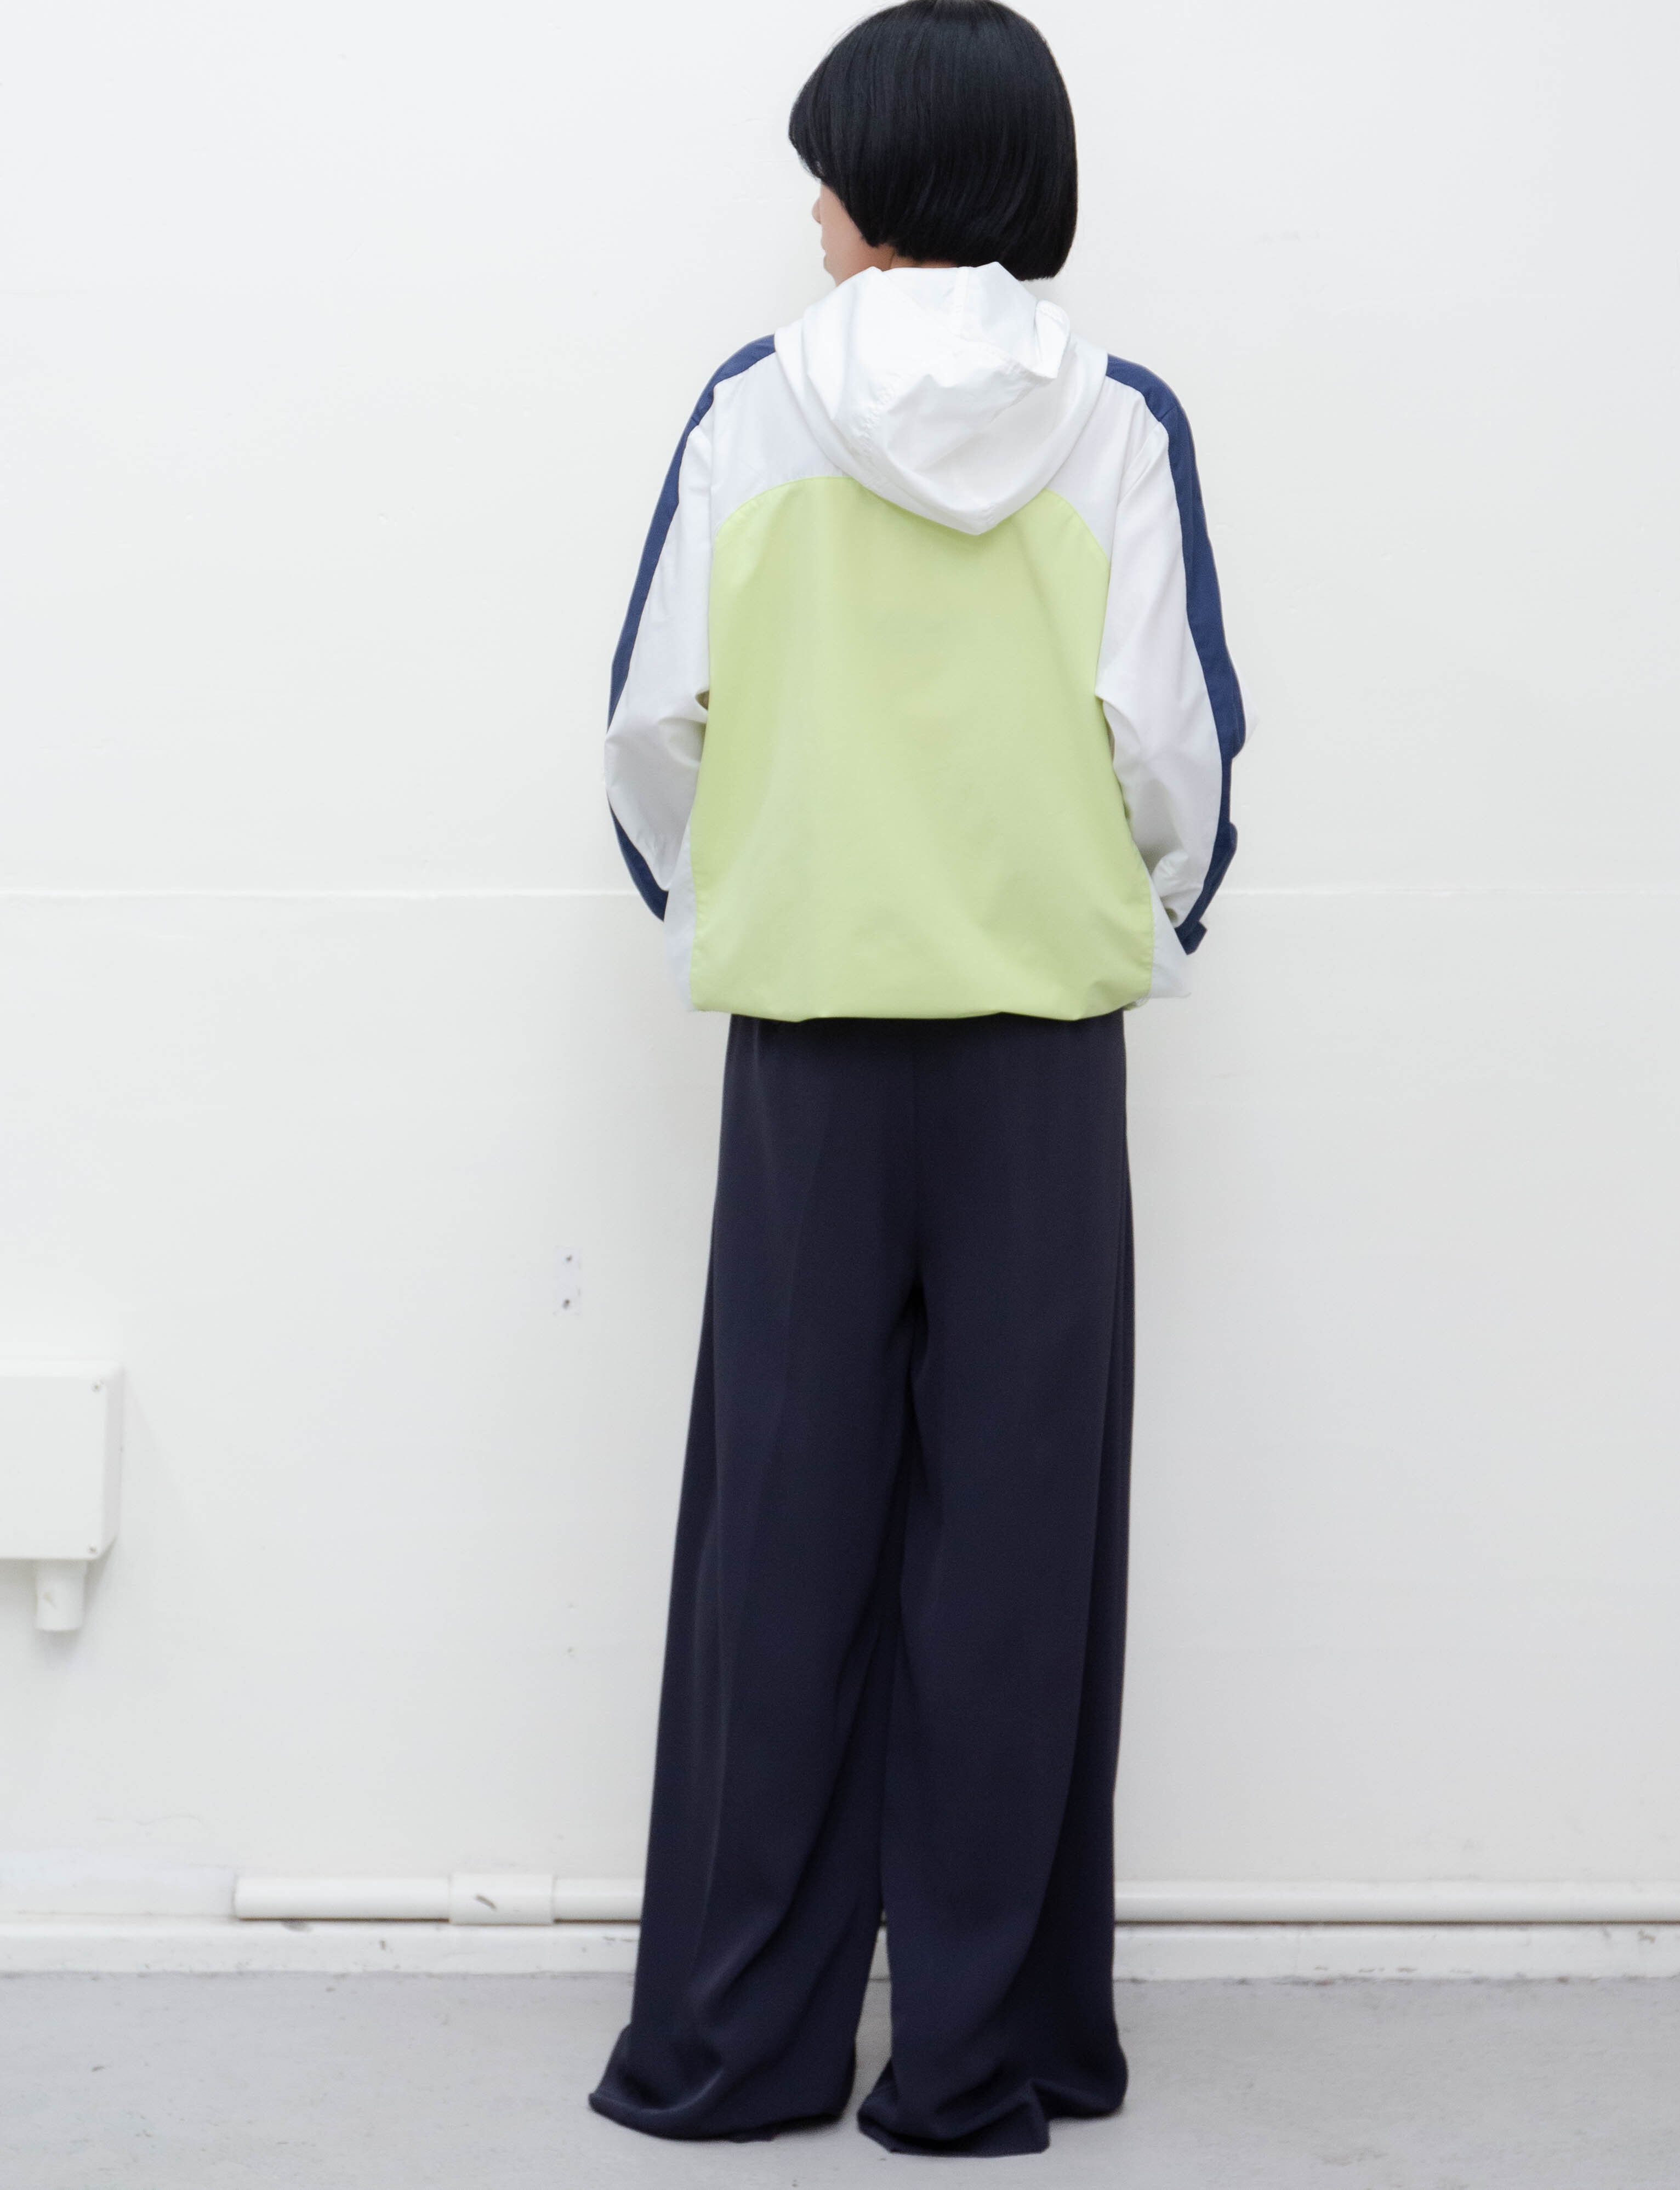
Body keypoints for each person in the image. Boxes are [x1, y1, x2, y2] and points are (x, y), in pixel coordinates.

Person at [589, 0, 1244, 2156]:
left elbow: (652, 729)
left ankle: (737, 2047)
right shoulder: (1117, 420)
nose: (808, 205)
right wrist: (1110, 915)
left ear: (889, 184)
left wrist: (757, 893)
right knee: (1017, 1547)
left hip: (810, 1045)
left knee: (776, 1537)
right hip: (1040, 1057)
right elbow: (1172, 754)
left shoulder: (750, 406)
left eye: (830, 167)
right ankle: (985, 2054)